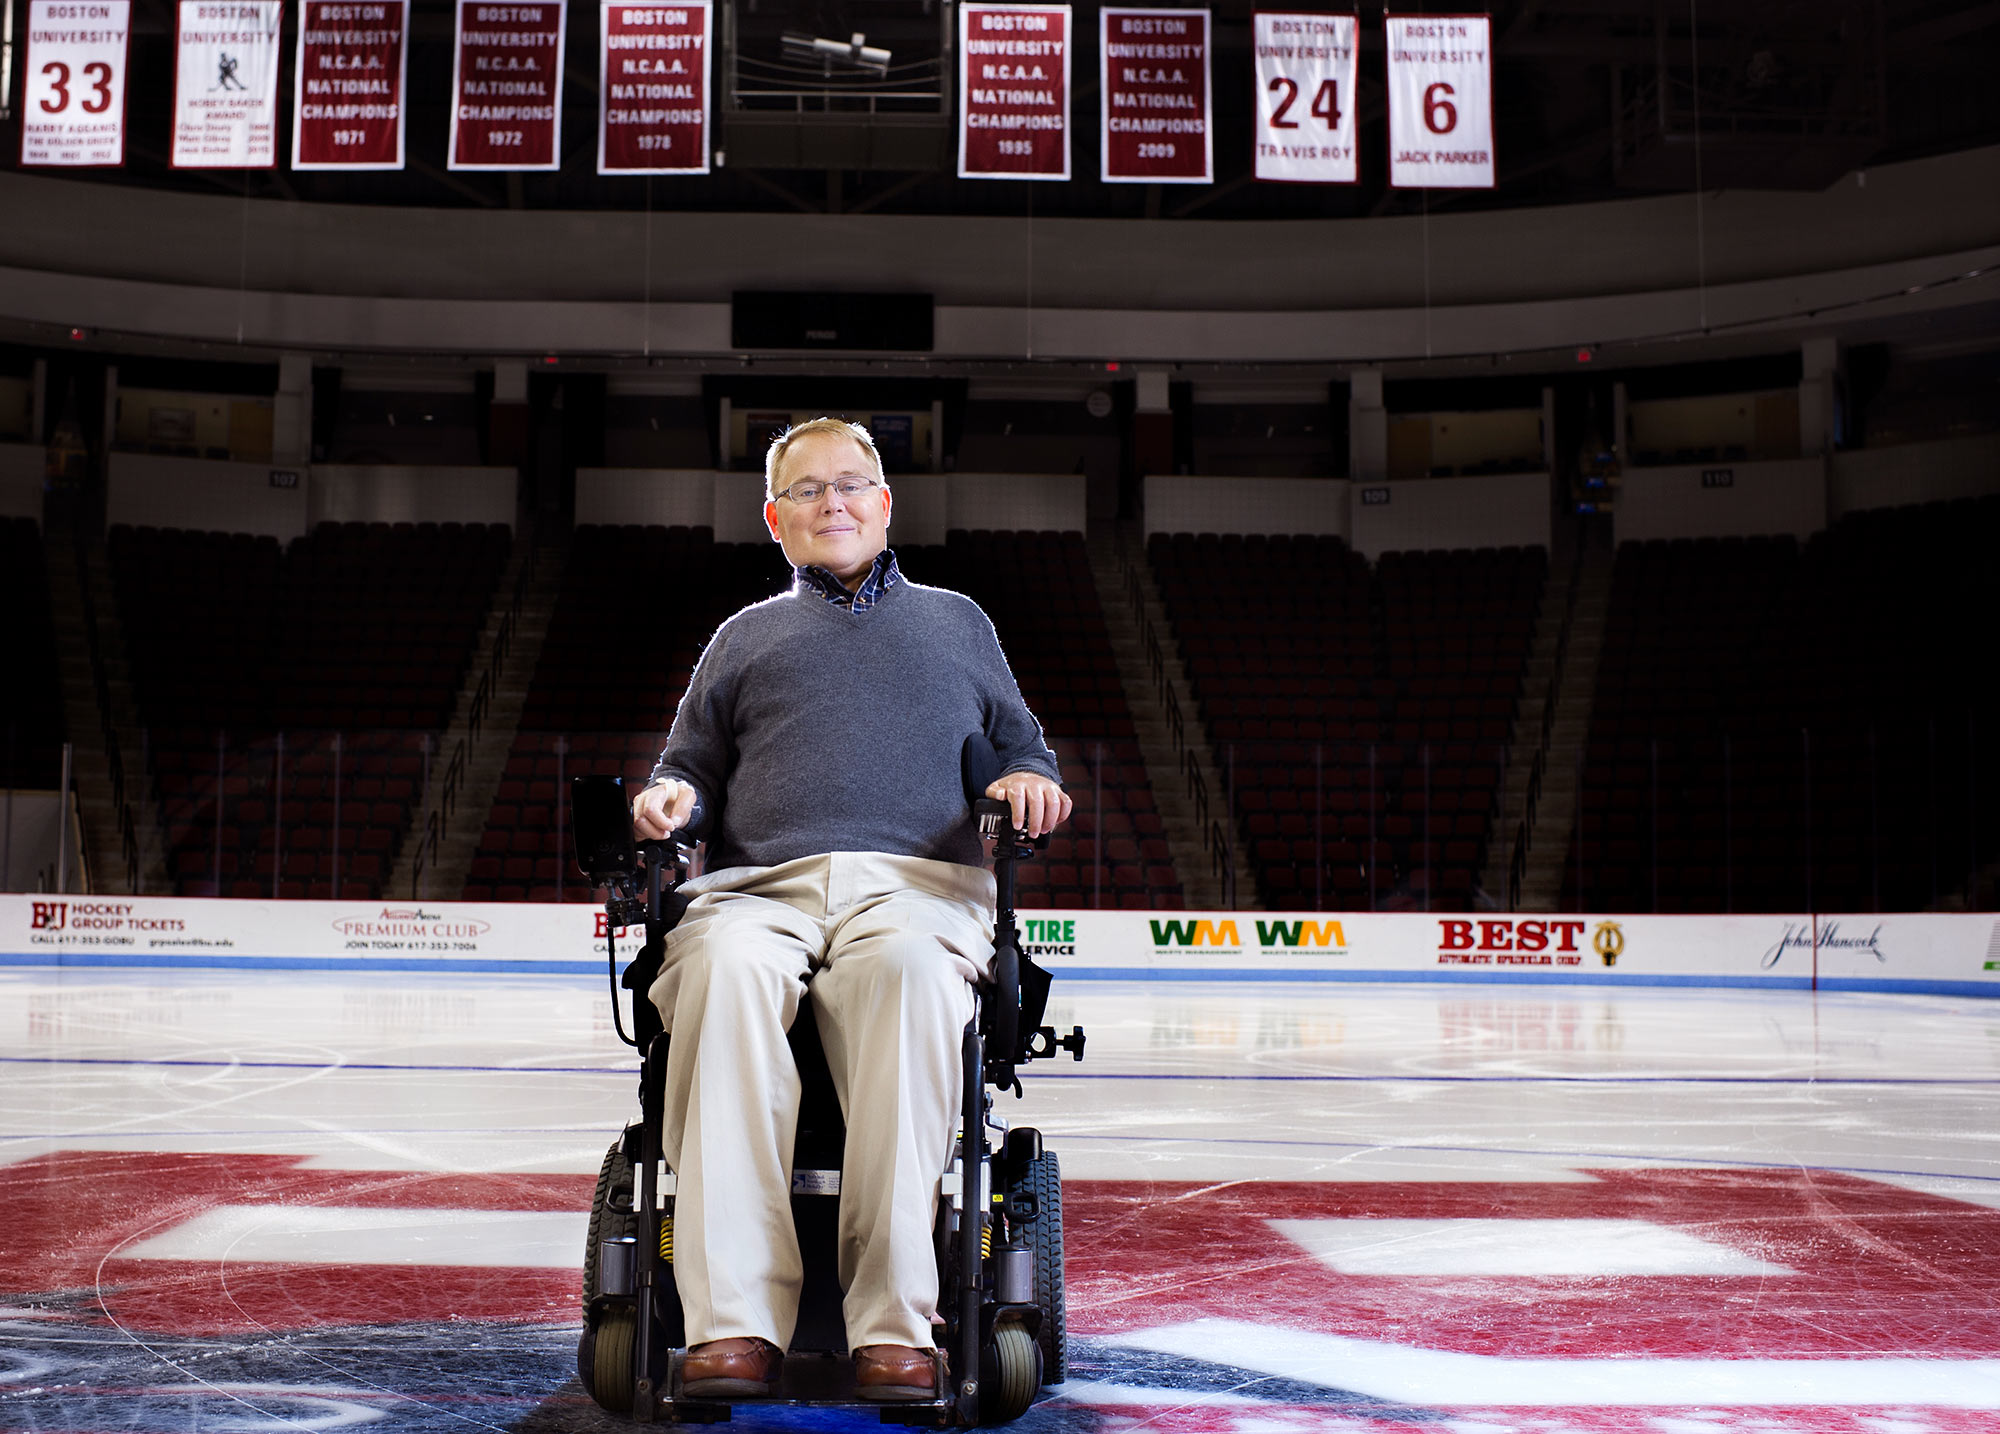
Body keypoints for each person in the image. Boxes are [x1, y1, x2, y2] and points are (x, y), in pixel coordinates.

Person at [630, 417, 1071, 1402]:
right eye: (805, 490)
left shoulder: (958, 622)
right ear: (774, 520)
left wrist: (1029, 784)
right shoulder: (742, 636)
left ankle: (893, 1328)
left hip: (914, 890)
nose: (831, 501)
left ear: (883, 503)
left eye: (850, 484)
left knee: (910, 975)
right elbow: (688, 770)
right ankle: (733, 1327)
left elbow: (1020, 749)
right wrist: (671, 802)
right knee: (718, 970)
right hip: (759, 890)